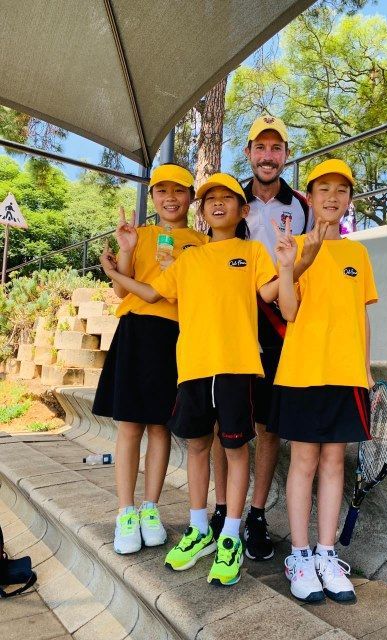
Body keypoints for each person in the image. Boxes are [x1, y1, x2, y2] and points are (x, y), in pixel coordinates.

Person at [99, 173, 279, 586]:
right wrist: (115, 272)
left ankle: (230, 534)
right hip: (193, 367)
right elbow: (149, 293)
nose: (218, 204)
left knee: (234, 449)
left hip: (236, 367)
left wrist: (293, 265)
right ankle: (199, 528)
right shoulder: (188, 259)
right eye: (210, 199)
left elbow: (270, 294)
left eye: (227, 199)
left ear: (243, 209)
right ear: (203, 211)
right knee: (197, 445)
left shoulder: (251, 252)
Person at [210, 115, 319, 561]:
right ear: (250, 151)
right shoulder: (229, 200)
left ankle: (255, 516)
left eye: (277, 148)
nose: (268, 156)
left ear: (285, 155)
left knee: (268, 425)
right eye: (261, 147)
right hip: (231, 325)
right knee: (224, 423)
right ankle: (221, 512)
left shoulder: (304, 205)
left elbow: (311, 263)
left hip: (278, 325)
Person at [269, 159, 378, 604]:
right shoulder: (292, 246)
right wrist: (289, 266)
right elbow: (289, 311)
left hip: (346, 375)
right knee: (304, 463)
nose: (332, 197)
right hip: (302, 372)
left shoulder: (359, 254)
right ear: (309, 198)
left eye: (341, 190)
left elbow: (363, 319)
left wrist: (367, 370)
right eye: (322, 190)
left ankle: (326, 555)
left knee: (335, 464)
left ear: (349, 199)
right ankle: (298, 555)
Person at [92, 164, 207, 555]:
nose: (170, 198)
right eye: (162, 191)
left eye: (179, 191)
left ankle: (150, 508)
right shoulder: (137, 234)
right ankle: (125, 512)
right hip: (136, 332)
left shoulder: (200, 242)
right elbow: (120, 285)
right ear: (153, 196)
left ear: (191, 197)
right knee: (129, 427)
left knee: (160, 427)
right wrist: (125, 251)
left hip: (175, 337)